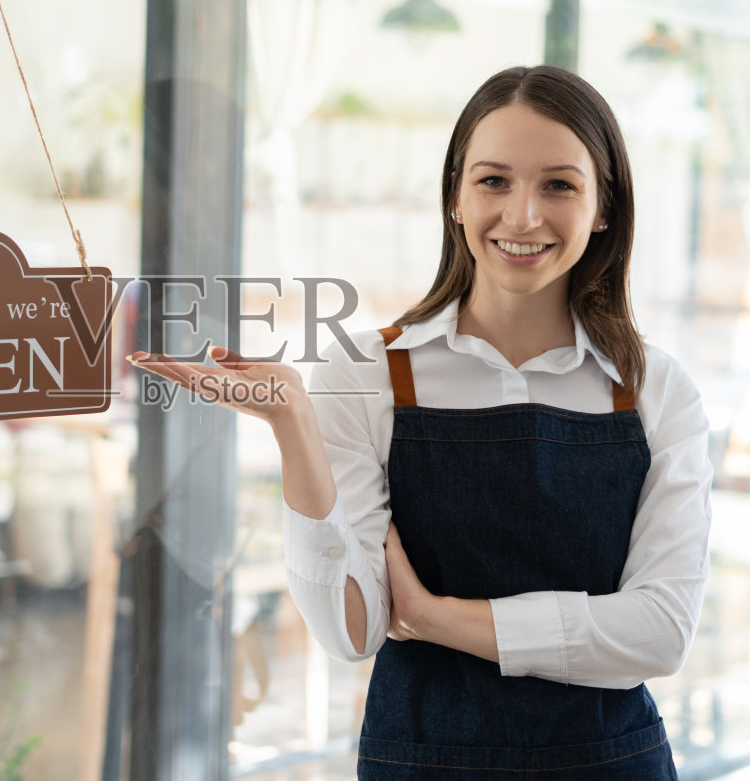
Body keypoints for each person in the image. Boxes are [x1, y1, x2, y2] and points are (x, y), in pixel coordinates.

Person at [127, 64, 712, 780]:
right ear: (456, 200)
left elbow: (659, 634)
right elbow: (351, 629)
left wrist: (439, 619)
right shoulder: (369, 374)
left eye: (558, 184)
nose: (523, 215)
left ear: (602, 208)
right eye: (494, 180)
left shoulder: (656, 391)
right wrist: (292, 427)